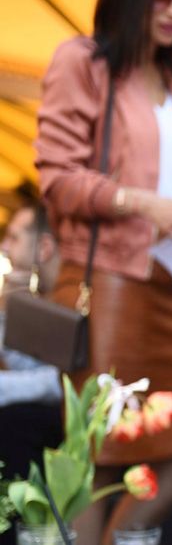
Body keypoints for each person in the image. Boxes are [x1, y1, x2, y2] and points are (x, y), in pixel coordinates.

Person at [33, 0, 172, 541]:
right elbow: (56, 178)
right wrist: (138, 202)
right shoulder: (83, 62)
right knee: (101, 455)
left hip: (169, 283)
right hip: (109, 279)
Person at [0, 205, 63, 494]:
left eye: (14, 238)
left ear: (45, 246)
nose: (4, 247)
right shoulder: (31, 294)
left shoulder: (70, 293)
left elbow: (61, 382)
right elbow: (27, 367)